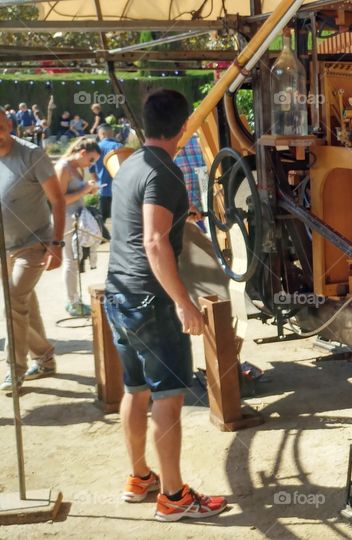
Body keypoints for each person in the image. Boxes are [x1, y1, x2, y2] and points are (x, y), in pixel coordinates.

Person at [103, 89, 226, 521]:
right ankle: (173, 498)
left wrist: (180, 215)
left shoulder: (130, 164)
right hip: (151, 301)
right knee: (167, 398)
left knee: (135, 390)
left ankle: (140, 477)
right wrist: (183, 303)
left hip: (118, 294)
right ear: (184, 126)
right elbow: (154, 241)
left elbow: (142, 223)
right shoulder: (166, 172)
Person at [0, 114, 65, 392]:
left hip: (34, 243)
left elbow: (58, 201)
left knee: (13, 301)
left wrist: (57, 244)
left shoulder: (31, 154)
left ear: (10, 126)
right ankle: (45, 359)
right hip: (5, 246)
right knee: (23, 303)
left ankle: (15, 370)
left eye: (0, 127)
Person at [54, 137, 100, 317]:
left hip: (76, 217)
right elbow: (58, 200)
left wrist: (90, 190)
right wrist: (84, 190)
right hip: (65, 219)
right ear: (82, 153)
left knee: (75, 260)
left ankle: (75, 299)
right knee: (71, 260)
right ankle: (72, 301)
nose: (91, 164)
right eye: (91, 159)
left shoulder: (76, 167)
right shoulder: (63, 167)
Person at [91, 124, 123, 233]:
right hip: (119, 190)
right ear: (111, 133)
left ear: (102, 134)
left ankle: (101, 237)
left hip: (103, 189)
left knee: (102, 218)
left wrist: (97, 183)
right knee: (120, 219)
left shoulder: (95, 148)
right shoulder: (118, 146)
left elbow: (92, 170)